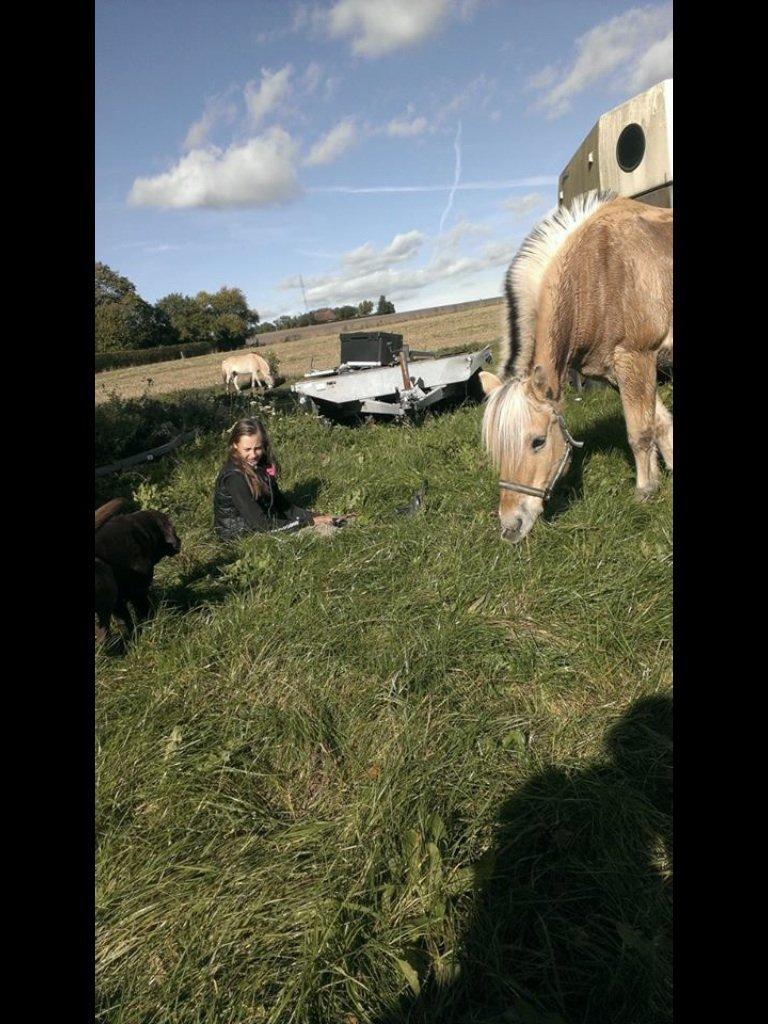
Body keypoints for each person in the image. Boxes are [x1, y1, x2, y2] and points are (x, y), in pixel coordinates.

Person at [213, 418, 339, 541]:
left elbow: (284, 506)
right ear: (235, 445)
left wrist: (316, 517)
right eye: (247, 449)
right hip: (241, 536)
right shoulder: (235, 478)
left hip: (265, 525)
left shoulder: (260, 466)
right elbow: (261, 525)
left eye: (258, 448)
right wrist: (309, 522)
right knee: (324, 535)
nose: (253, 455)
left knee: (330, 524)